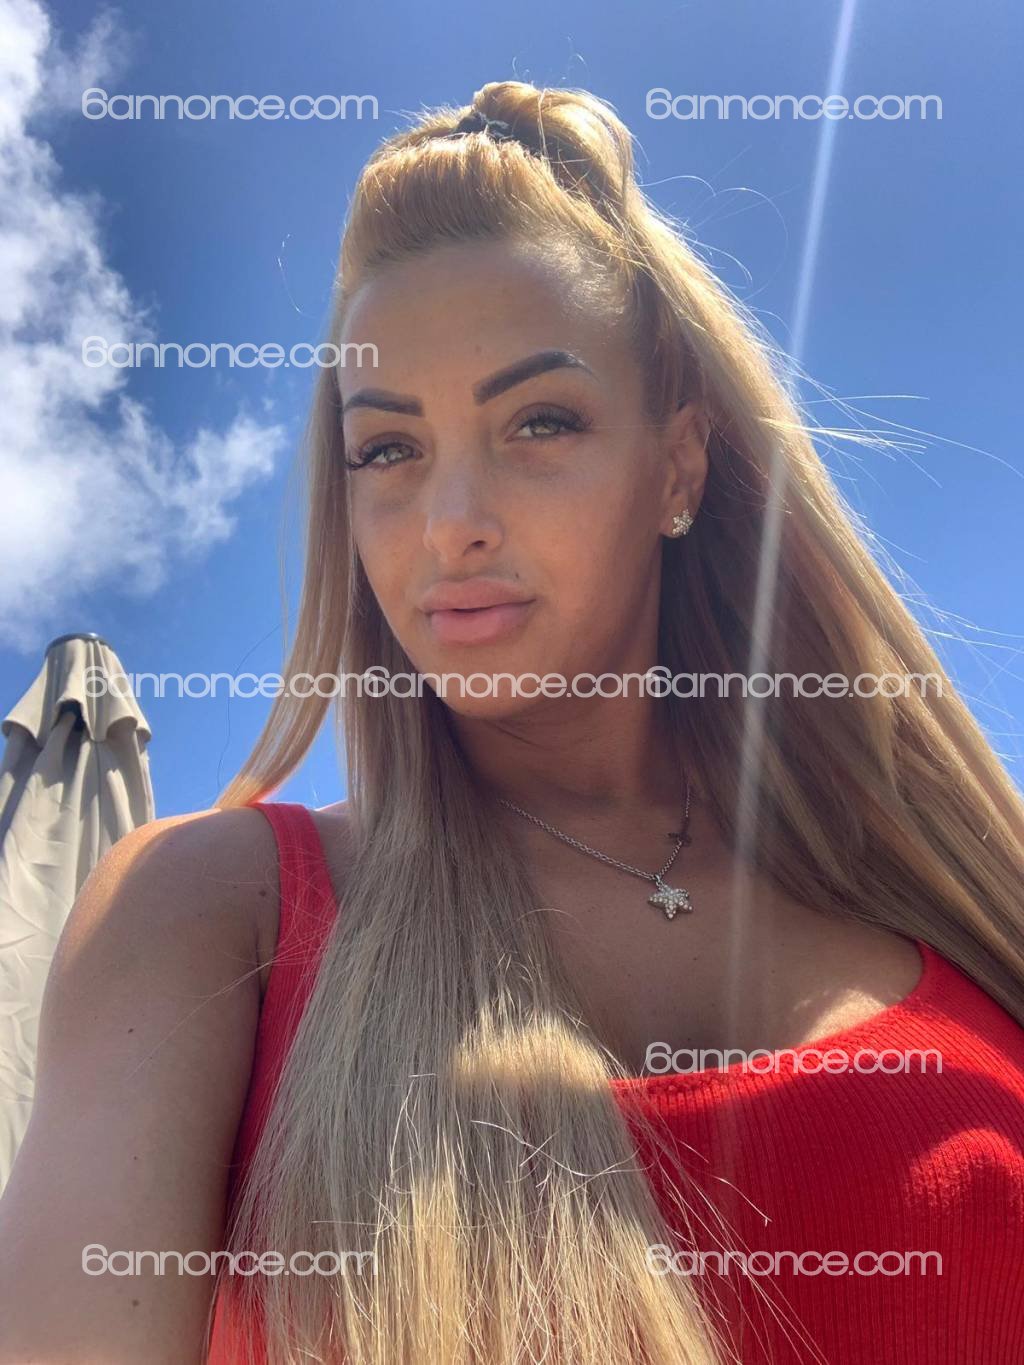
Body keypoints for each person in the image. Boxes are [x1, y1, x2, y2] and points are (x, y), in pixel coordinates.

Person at [2, 80, 1024, 1365]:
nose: (451, 525)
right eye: (388, 450)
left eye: (539, 423)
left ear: (677, 466)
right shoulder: (210, 919)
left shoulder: (958, 897)